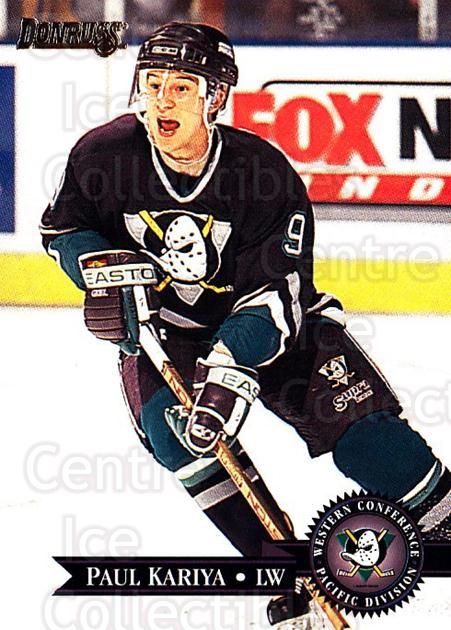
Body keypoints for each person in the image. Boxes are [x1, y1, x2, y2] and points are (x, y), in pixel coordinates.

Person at [40, 22, 450, 628]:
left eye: (181, 87)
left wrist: (231, 367)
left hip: (279, 328)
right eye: (152, 83)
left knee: (371, 443)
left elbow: (277, 294)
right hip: (168, 334)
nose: (162, 100)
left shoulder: (261, 173)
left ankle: (443, 519)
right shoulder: (102, 155)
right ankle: (286, 573)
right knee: (179, 439)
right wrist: (100, 270)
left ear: (215, 97)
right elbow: (63, 229)